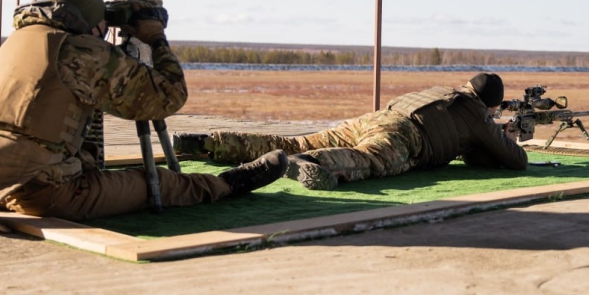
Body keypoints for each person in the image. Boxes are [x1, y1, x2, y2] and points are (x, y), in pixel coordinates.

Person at [0, 0, 286, 230]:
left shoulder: (21, 42)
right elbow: (169, 96)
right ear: (91, 23)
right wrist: (154, 38)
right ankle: (226, 184)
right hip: (47, 194)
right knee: (157, 182)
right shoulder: (82, 51)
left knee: (26, 143)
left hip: (10, 161)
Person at [173, 73, 528, 191]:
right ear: (489, 104)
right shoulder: (477, 114)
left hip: (376, 118)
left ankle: (209, 143)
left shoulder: (443, 93)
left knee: (292, 140)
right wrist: (504, 136)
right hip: (406, 136)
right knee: (368, 160)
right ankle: (311, 163)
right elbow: (516, 160)